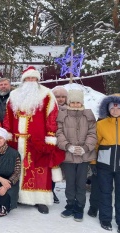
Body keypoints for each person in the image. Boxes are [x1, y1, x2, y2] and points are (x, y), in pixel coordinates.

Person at [3, 66, 65, 214]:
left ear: (37, 79)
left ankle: (40, 199)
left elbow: (52, 117)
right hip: (17, 141)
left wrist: (50, 139)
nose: (31, 81)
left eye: (34, 78)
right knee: (16, 168)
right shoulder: (14, 95)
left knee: (39, 169)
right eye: (28, 78)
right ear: (24, 80)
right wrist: (8, 136)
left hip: (37, 142)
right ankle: (17, 195)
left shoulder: (46, 94)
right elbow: (8, 118)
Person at [56, 89, 97, 222]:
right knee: (70, 183)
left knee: (80, 183)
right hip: (68, 155)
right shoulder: (63, 115)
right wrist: (68, 146)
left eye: (77, 102)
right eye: (72, 102)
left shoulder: (88, 115)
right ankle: (70, 204)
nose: (75, 104)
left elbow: (92, 133)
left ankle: (79, 207)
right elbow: (59, 133)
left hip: (84, 156)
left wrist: (85, 147)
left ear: (81, 102)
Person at [95, 93, 120, 232]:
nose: (115, 111)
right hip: (104, 165)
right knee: (105, 193)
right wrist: (93, 162)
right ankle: (105, 219)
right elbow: (96, 144)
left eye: (118, 108)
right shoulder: (101, 124)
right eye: (112, 108)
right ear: (108, 109)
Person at [51, 85, 68, 204]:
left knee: (59, 169)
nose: (60, 99)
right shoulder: (50, 109)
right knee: (50, 168)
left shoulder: (70, 109)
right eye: (58, 96)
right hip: (51, 142)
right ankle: (50, 190)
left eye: (63, 97)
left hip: (65, 142)